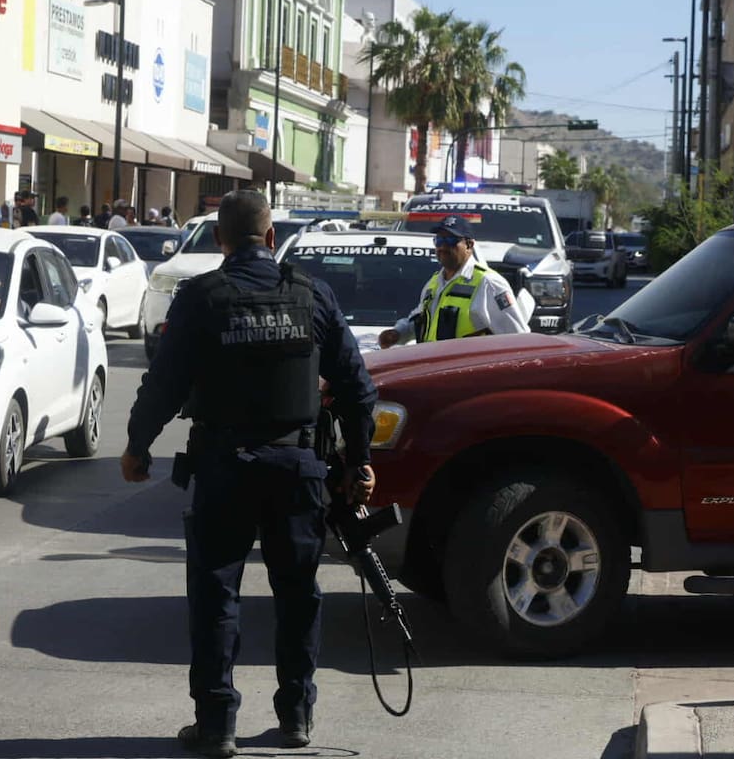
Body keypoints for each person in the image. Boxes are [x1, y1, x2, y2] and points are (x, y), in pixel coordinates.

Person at [121, 189, 376, 759]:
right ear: (271, 238)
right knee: (297, 596)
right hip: (298, 469)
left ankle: (217, 726)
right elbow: (359, 388)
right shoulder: (312, 295)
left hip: (224, 467)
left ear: (220, 241)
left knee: (216, 596)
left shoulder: (201, 298)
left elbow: (163, 383)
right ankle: (296, 717)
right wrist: (360, 462)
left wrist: (138, 446)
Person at [378, 214, 530, 348]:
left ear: (469, 245)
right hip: (433, 370)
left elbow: (517, 338)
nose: (443, 246)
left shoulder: (488, 283)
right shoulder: (434, 283)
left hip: (470, 375)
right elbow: (420, 320)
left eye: (451, 240)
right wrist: (398, 333)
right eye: (439, 240)